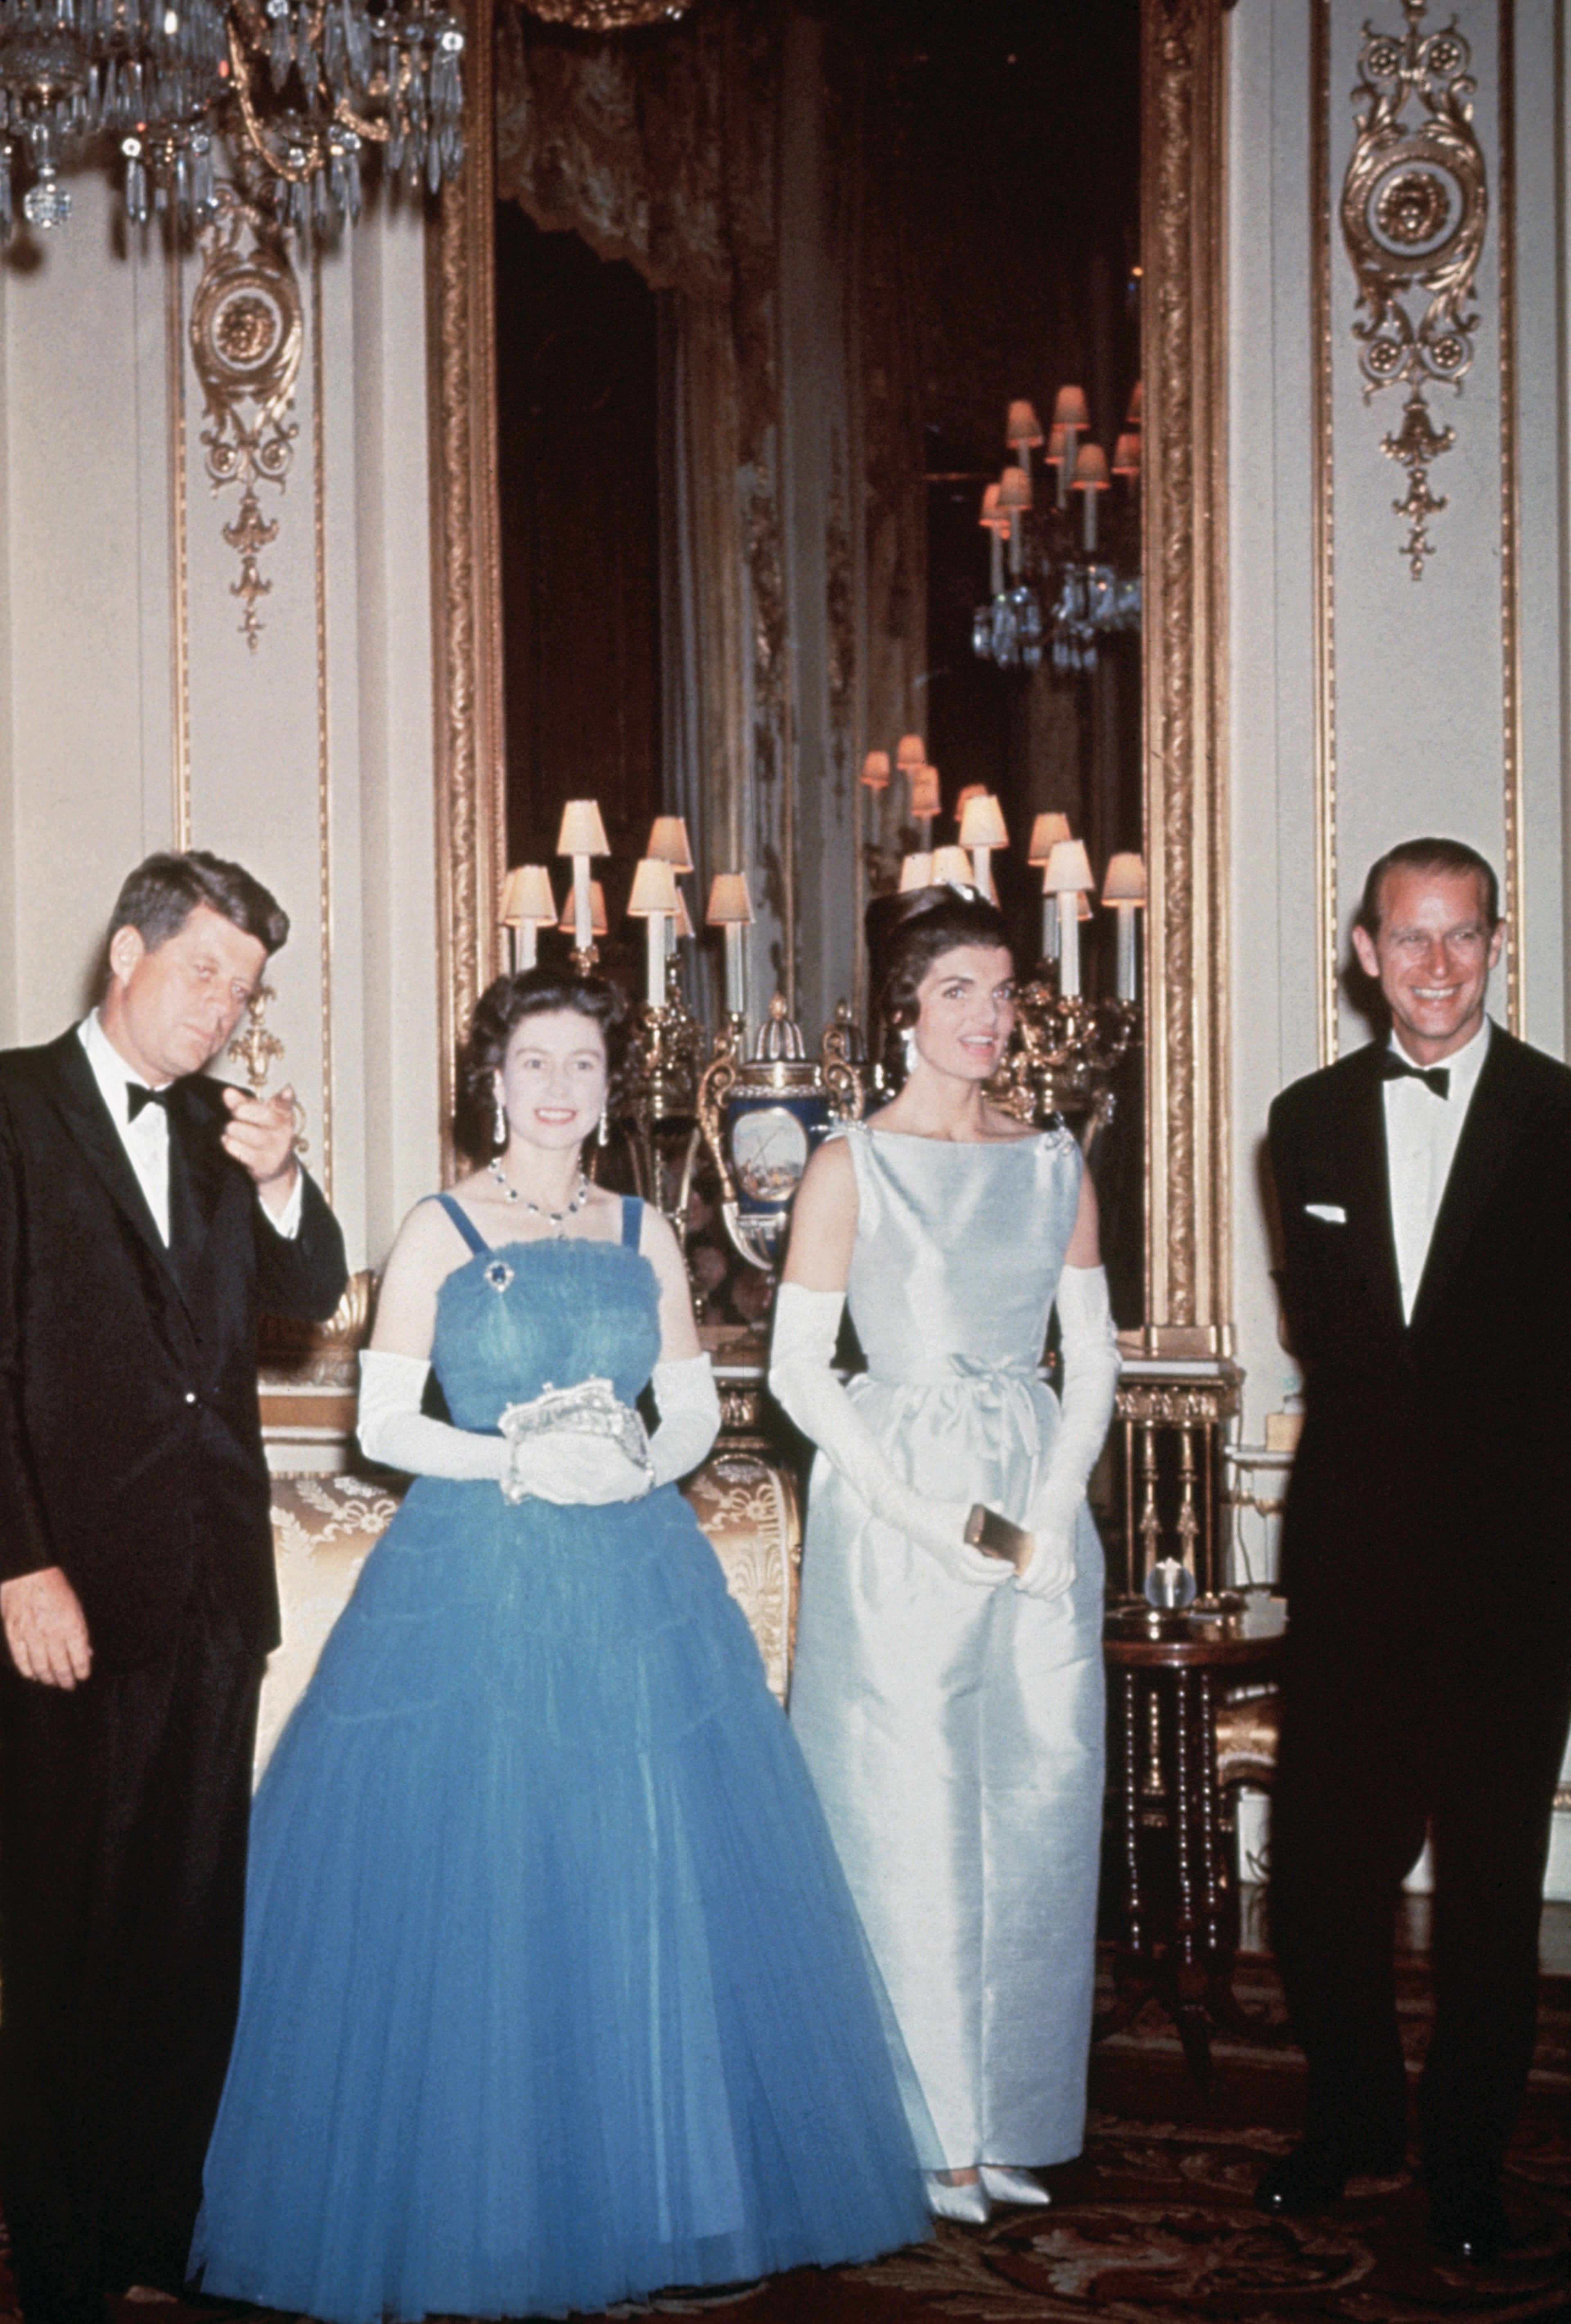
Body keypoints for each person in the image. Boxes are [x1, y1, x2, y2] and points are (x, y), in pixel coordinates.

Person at [189, 967, 931, 2324]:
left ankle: (658, 2187)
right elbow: (386, 1428)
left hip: (631, 1575)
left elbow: (704, 1407)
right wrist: (521, 1455)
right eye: (535, 1063)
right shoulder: (438, 1227)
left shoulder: (648, 1227)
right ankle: (480, 2204)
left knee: (639, 1867)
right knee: (483, 1884)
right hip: (475, 1571)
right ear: (493, 1080)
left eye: (582, 1066)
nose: (557, 1089)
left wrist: (640, 1460)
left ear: (606, 1086)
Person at [0, 851, 348, 2324]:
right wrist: (18, 1560)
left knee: (188, 1937)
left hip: (215, 1590)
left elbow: (304, 1301)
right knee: (64, 1939)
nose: (224, 1011)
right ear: (126, 956)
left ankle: (157, 2222)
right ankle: (67, 2262)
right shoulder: (10, 1111)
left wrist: (282, 1182)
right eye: (205, 972)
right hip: (65, 1589)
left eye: (247, 989)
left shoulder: (225, 1131)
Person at [771, 884, 1121, 2224]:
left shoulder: (1053, 1162)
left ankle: (1014, 2113)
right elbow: (802, 1372)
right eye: (957, 992)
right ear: (905, 1014)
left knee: (1039, 1798)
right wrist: (926, 1517)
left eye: (1003, 989)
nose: (988, 1017)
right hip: (899, 1508)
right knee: (910, 1816)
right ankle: (928, 2130)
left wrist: (1048, 1507)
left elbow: (1086, 1358)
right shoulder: (849, 1162)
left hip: (1036, 1510)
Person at [1260, 837, 1571, 2262]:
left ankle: (1465, 2169)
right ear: (1366, 951)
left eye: (1464, 938)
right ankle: (1352, 2124)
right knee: (1326, 1878)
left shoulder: (1564, 1116)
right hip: (1354, 1566)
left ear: (1495, 946)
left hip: (1514, 1576)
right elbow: (1337, 1346)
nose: (1437, 966)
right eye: (1411, 938)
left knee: (1492, 1902)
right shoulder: (1306, 1121)